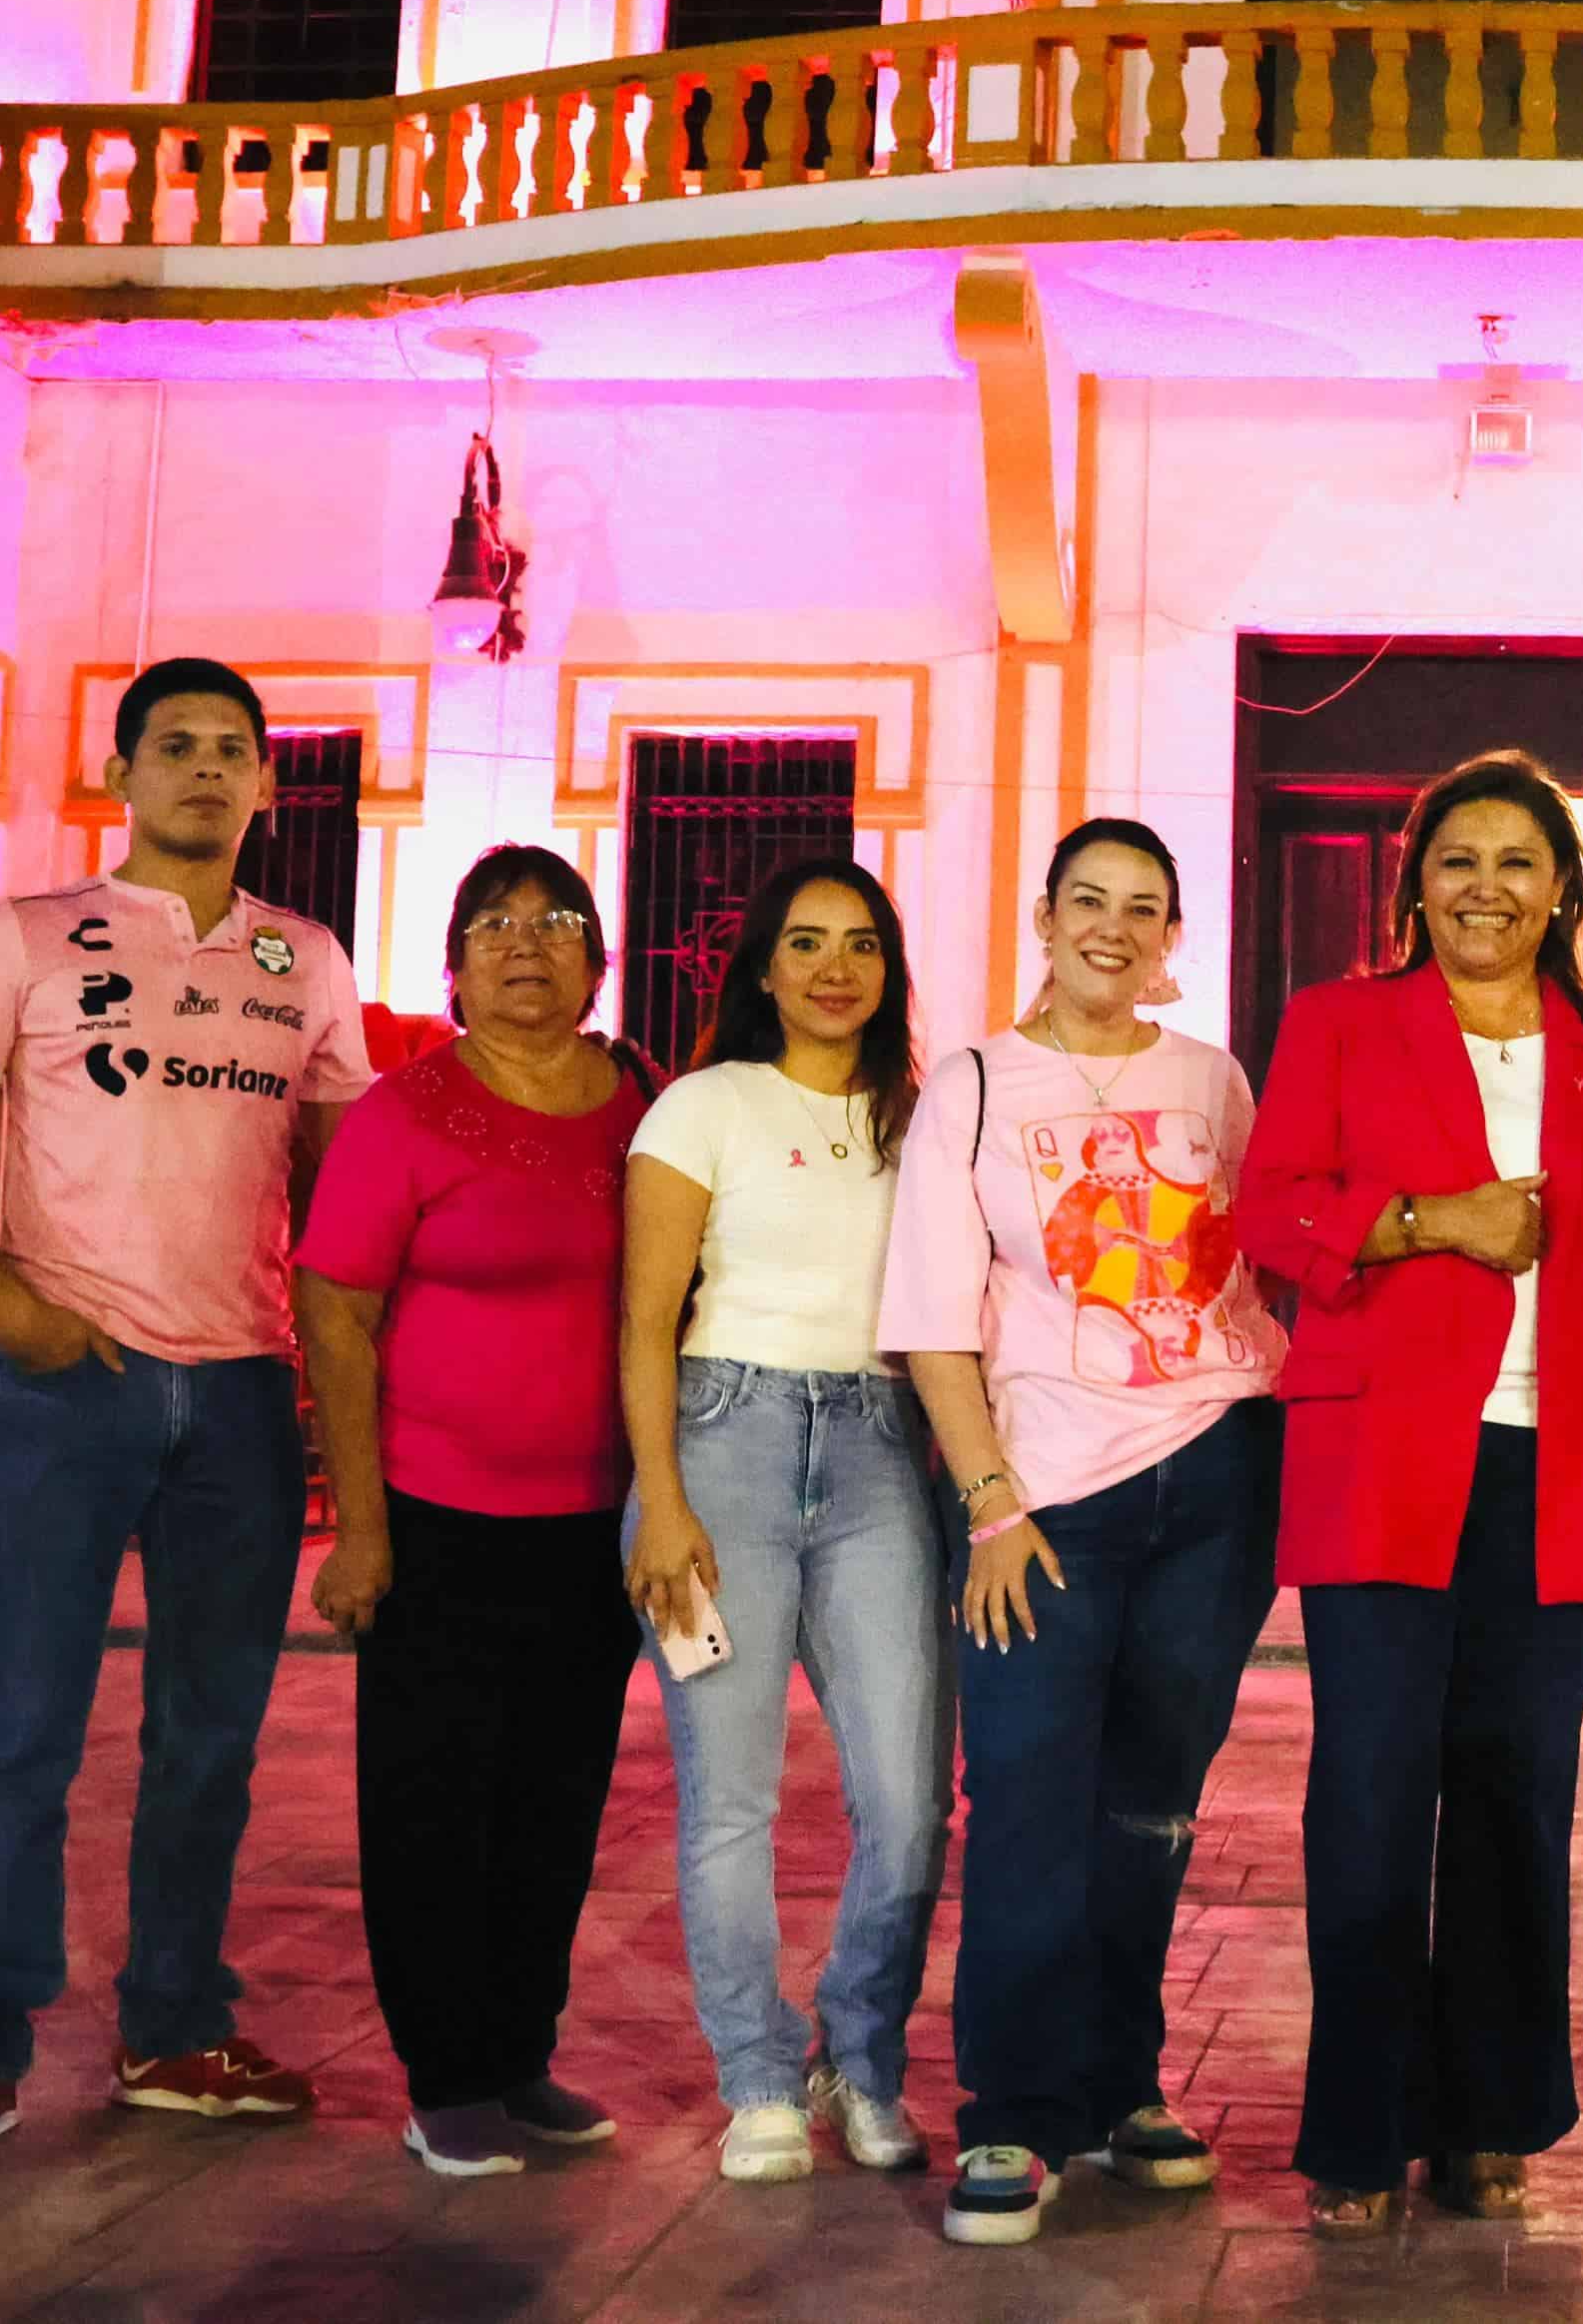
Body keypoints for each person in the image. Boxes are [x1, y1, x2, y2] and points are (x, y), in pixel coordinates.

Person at [0, 659, 374, 2173]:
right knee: (22, 1726)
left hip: (237, 1396)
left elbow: (342, 1193)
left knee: (208, 1740)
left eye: (236, 750)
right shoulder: (30, 935)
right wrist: (12, 1309)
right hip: (63, 1388)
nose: (207, 770)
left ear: (270, 787)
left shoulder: (306, 962)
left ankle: (172, 2026)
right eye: (178, 746)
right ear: (123, 769)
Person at [1239, 751, 1583, 2237]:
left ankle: (1492, 2111)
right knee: (1368, 1794)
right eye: (1455, 859)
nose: (1484, 886)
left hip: (1556, 1464)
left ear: (1566, 886)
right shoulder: (1342, 1022)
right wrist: (1430, 1221)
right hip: (1382, 1457)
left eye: (1517, 860)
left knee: (1513, 1792)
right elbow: (1272, 1209)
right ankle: (1360, 2125)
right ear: (1412, 882)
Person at [879, 818, 1287, 2249]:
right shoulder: (978, 1085)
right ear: (1043, 916)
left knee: (1152, 1801)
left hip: (1219, 1469)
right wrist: (989, 1499)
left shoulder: (1211, 1077)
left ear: (1171, 931)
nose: (1116, 929)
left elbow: (1262, 1245)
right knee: (1033, 1797)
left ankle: (1120, 2082)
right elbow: (934, 1316)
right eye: (1090, 902)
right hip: (1048, 1495)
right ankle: (1010, 2109)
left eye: (1146, 907)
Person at [297, 846, 657, 2178]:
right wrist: (363, 1525)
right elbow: (334, 1309)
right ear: (454, 964)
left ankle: (519, 2052)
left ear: (596, 959)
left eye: (558, 922)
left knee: (556, 1803)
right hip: (439, 1520)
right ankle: (446, 2074)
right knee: (432, 1800)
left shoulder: (640, 1099)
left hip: (596, 1526)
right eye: (495, 923)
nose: (527, 945)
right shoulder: (407, 1112)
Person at [617, 858, 945, 2186]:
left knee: (911, 1801)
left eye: (860, 942)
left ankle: (858, 2056)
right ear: (762, 966)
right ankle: (757, 2075)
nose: (832, 966)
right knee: (730, 1800)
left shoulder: (922, 1118)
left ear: (889, 968)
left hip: (878, 1453)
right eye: (804, 942)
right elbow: (644, 1314)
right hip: (720, 1441)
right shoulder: (704, 1106)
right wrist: (662, 1502)